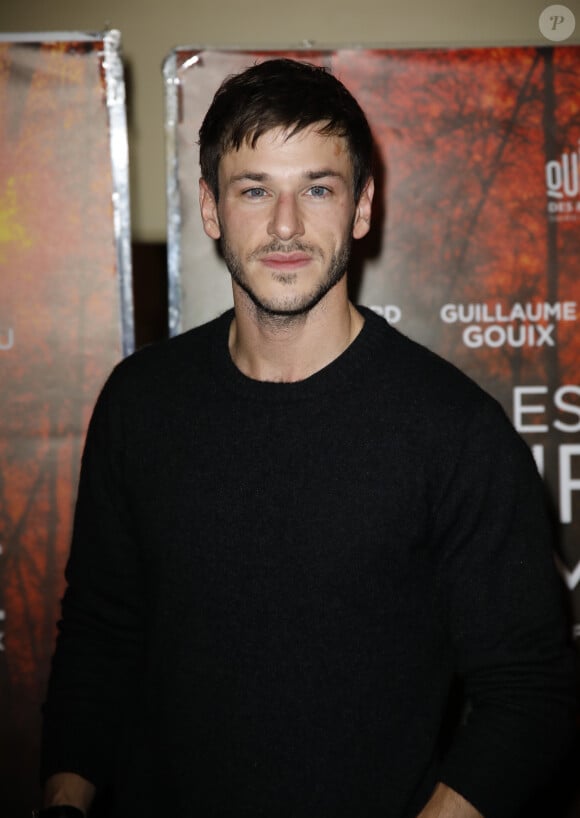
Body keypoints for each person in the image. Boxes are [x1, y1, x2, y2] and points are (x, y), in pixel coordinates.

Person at [38, 58, 575, 818]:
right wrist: (64, 798)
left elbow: (529, 693)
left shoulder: (456, 433)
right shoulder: (140, 402)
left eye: (317, 189)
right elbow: (101, 631)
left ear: (361, 207)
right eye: (255, 190)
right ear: (212, 209)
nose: (285, 225)